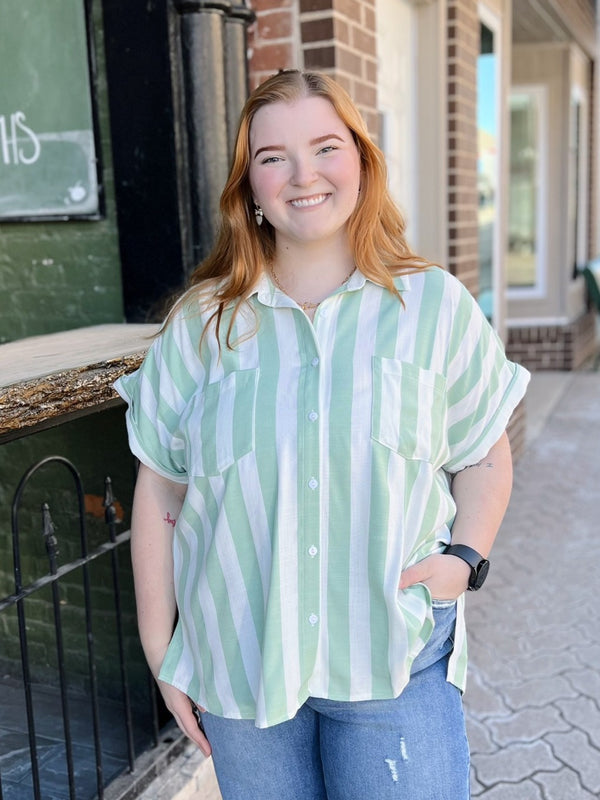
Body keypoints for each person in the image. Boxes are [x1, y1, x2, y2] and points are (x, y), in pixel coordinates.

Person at [115, 70, 530, 799]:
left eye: (325, 146)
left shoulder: (433, 307)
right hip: (243, 674)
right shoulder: (203, 325)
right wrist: (162, 651)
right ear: (250, 186)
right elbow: (160, 491)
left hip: (392, 663)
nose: (302, 175)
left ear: (363, 162)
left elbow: (485, 455)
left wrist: (464, 561)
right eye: (273, 156)